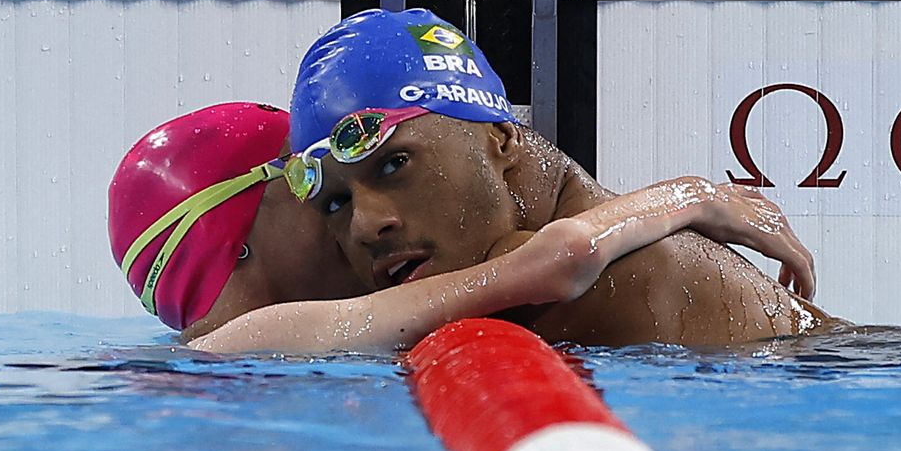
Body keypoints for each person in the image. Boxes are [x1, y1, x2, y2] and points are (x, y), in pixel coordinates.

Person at [287, 8, 835, 347]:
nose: (365, 225)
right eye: (335, 203)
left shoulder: (616, 277)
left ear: (502, 139)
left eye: (394, 164)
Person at [108, 103, 817, 354]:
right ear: (244, 240)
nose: (361, 222)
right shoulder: (255, 344)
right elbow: (554, 260)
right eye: (321, 192)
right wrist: (692, 197)